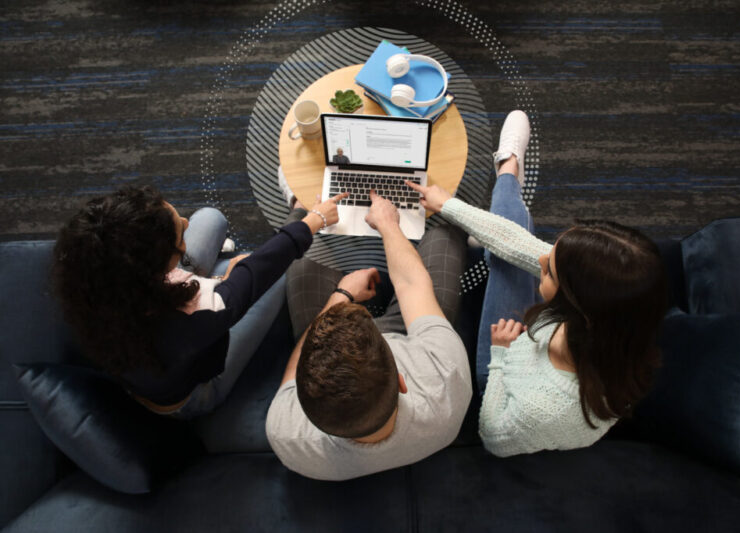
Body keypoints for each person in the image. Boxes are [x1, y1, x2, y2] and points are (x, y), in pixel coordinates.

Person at [406, 110, 668, 457]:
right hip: (534, 334)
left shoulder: (542, 410)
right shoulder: (618, 316)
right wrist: (448, 205)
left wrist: (499, 355)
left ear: (577, 304)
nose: (541, 261)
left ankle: (508, 170)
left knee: (505, 252)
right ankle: (508, 169)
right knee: (509, 240)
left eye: (550, 272)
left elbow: (493, 437)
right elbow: (520, 245)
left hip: (505, 368)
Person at [52, 184, 345, 419]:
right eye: (180, 238)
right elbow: (257, 273)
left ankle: (211, 270)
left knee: (210, 218)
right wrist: (310, 220)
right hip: (196, 389)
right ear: (157, 265)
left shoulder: (92, 271)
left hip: (158, 328)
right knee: (278, 276)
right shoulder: (198, 319)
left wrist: (219, 279)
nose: (185, 221)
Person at [265, 190, 471, 481]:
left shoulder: (287, 435)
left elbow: (295, 367)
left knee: (306, 244)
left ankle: (299, 203)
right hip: (407, 341)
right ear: (402, 382)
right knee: (449, 226)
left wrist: (342, 295)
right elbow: (413, 286)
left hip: (332, 344)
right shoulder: (446, 380)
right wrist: (388, 224)